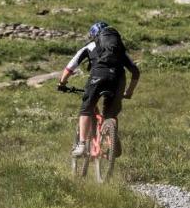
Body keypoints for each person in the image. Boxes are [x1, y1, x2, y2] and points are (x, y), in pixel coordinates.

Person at [58, 21, 140, 156]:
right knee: (110, 114)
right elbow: (135, 72)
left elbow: (70, 67)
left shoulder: (90, 46)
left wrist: (62, 83)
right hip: (118, 79)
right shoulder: (118, 49)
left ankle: (82, 145)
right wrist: (129, 92)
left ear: (94, 35)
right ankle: (111, 141)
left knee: (86, 109)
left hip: (99, 76)